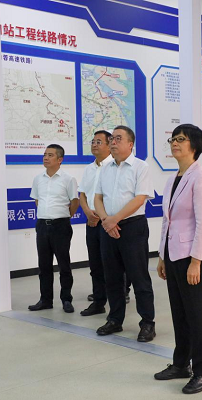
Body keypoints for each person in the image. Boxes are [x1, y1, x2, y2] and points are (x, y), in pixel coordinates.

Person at [154, 124, 202, 395]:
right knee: (180, 314)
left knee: (198, 316)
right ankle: (181, 364)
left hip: (192, 257)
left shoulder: (201, 177)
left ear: (195, 145)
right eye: (173, 139)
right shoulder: (173, 179)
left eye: (181, 139)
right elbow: (167, 222)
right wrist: (162, 256)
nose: (174, 143)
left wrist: (197, 261)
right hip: (173, 255)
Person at [94, 125, 156, 342]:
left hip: (132, 227)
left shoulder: (141, 167)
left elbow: (140, 198)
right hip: (108, 228)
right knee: (111, 277)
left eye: (118, 138)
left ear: (130, 144)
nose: (113, 142)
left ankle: (147, 323)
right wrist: (106, 220)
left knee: (139, 277)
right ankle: (115, 319)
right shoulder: (105, 167)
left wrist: (115, 219)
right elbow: (97, 198)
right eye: (111, 138)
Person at [28, 144, 79, 313]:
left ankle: (66, 299)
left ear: (60, 159)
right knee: (44, 266)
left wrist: (63, 216)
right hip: (42, 225)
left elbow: (75, 202)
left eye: (50, 155)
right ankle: (45, 300)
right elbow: (37, 200)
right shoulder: (38, 179)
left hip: (61, 226)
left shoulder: (68, 179)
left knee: (64, 264)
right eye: (45, 154)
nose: (46, 158)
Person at [78, 130, 114, 316]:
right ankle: (99, 301)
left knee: (113, 264)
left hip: (109, 222)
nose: (94, 145)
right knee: (95, 264)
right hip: (91, 222)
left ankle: (118, 298)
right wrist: (87, 212)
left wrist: (102, 215)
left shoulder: (115, 166)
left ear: (109, 145)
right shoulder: (89, 169)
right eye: (93, 141)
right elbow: (82, 194)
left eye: (99, 142)